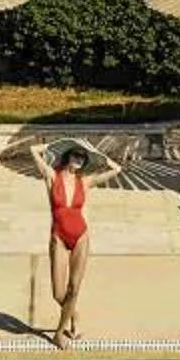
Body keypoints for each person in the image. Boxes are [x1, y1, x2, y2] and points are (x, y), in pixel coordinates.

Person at [42, 141, 118, 348]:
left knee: (74, 288)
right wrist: (53, 144)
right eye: (75, 156)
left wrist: (95, 152)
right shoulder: (52, 177)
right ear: (67, 157)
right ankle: (73, 314)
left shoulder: (83, 182)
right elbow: (33, 152)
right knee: (58, 293)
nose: (78, 160)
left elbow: (116, 169)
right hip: (58, 236)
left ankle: (59, 333)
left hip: (81, 236)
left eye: (82, 158)